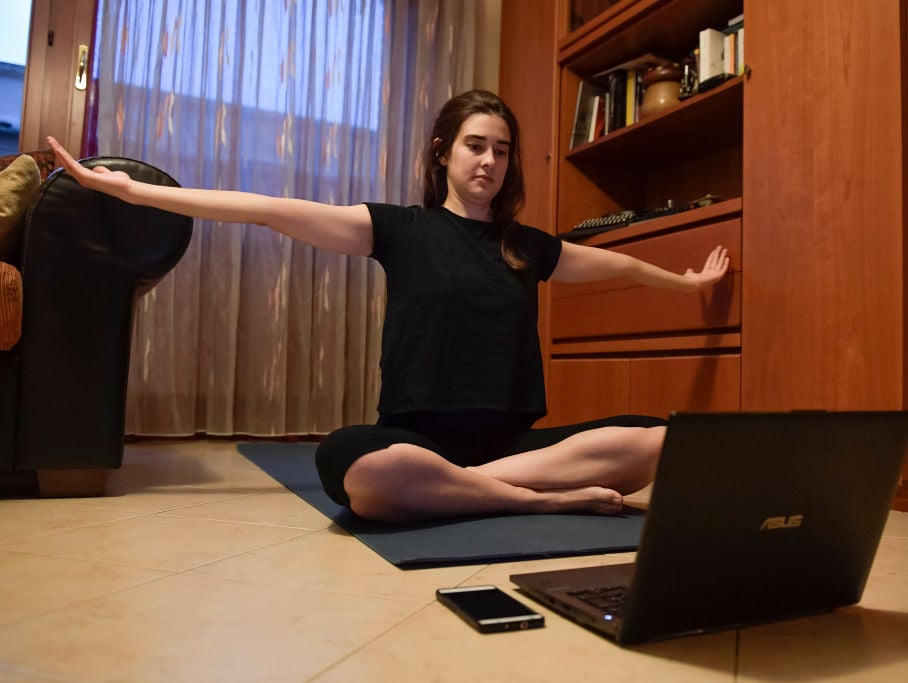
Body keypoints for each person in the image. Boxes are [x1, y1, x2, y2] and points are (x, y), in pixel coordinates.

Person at [48, 89, 729, 523]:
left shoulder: (527, 246)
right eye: (474, 145)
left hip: (513, 443)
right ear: (443, 154)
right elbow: (266, 210)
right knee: (360, 467)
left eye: (501, 150)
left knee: (664, 439)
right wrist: (136, 193)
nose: (489, 161)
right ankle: (529, 498)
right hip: (418, 441)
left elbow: (620, 264)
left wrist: (690, 283)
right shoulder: (398, 228)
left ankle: (472, 488)